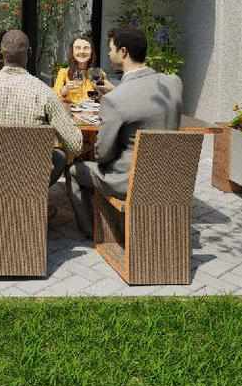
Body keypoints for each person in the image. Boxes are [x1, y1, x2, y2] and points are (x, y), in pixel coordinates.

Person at [67, 26, 182, 237]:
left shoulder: (115, 100)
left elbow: (102, 155)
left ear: (123, 52)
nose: (108, 53)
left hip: (130, 181)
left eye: (111, 49)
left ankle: (94, 232)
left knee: (74, 170)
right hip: (171, 178)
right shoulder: (174, 83)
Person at [0, 29, 84, 189]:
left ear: (0, 52)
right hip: (32, 179)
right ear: (29, 52)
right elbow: (76, 145)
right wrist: (66, 114)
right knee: (59, 157)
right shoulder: (44, 92)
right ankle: (32, 198)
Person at [52, 34, 114, 106]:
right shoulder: (63, 72)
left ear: (91, 52)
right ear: (72, 52)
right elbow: (53, 98)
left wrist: (101, 92)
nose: (82, 51)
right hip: (70, 112)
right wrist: (65, 90)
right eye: (78, 48)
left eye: (86, 48)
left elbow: (108, 98)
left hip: (92, 112)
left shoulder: (98, 73)